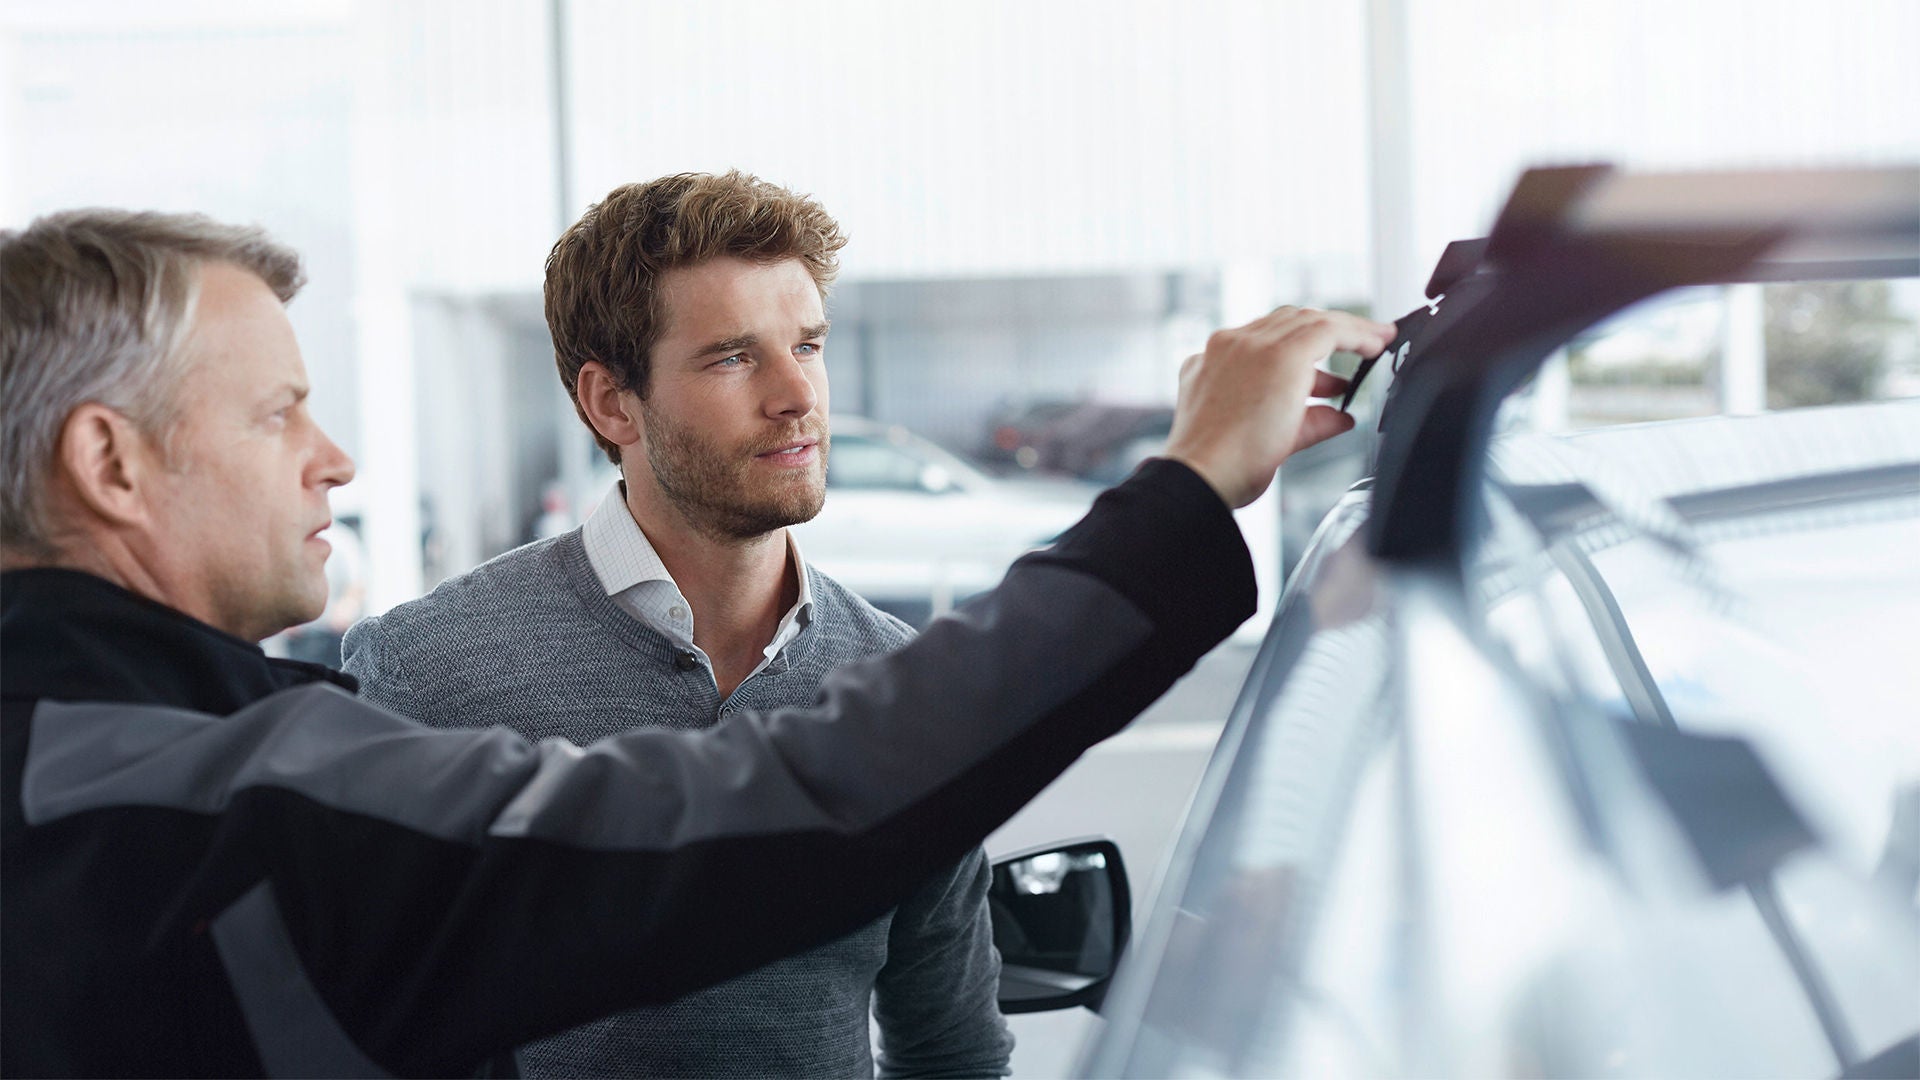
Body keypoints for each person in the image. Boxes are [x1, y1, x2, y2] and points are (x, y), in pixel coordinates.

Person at [0, 208, 1392, 1078]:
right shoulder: (211, 788)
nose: (338, 459)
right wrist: (1188, 490)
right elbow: (789, 806)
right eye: (276, 412)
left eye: (811, 344)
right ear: (111, 465)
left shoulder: (154, 755)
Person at [344, 173, 1012, 1078]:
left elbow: (952, 1049)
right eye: (734, 357)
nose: (797, 396)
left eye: (807, 345)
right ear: (612, 402)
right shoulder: (424, 672)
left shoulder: (908, 689)